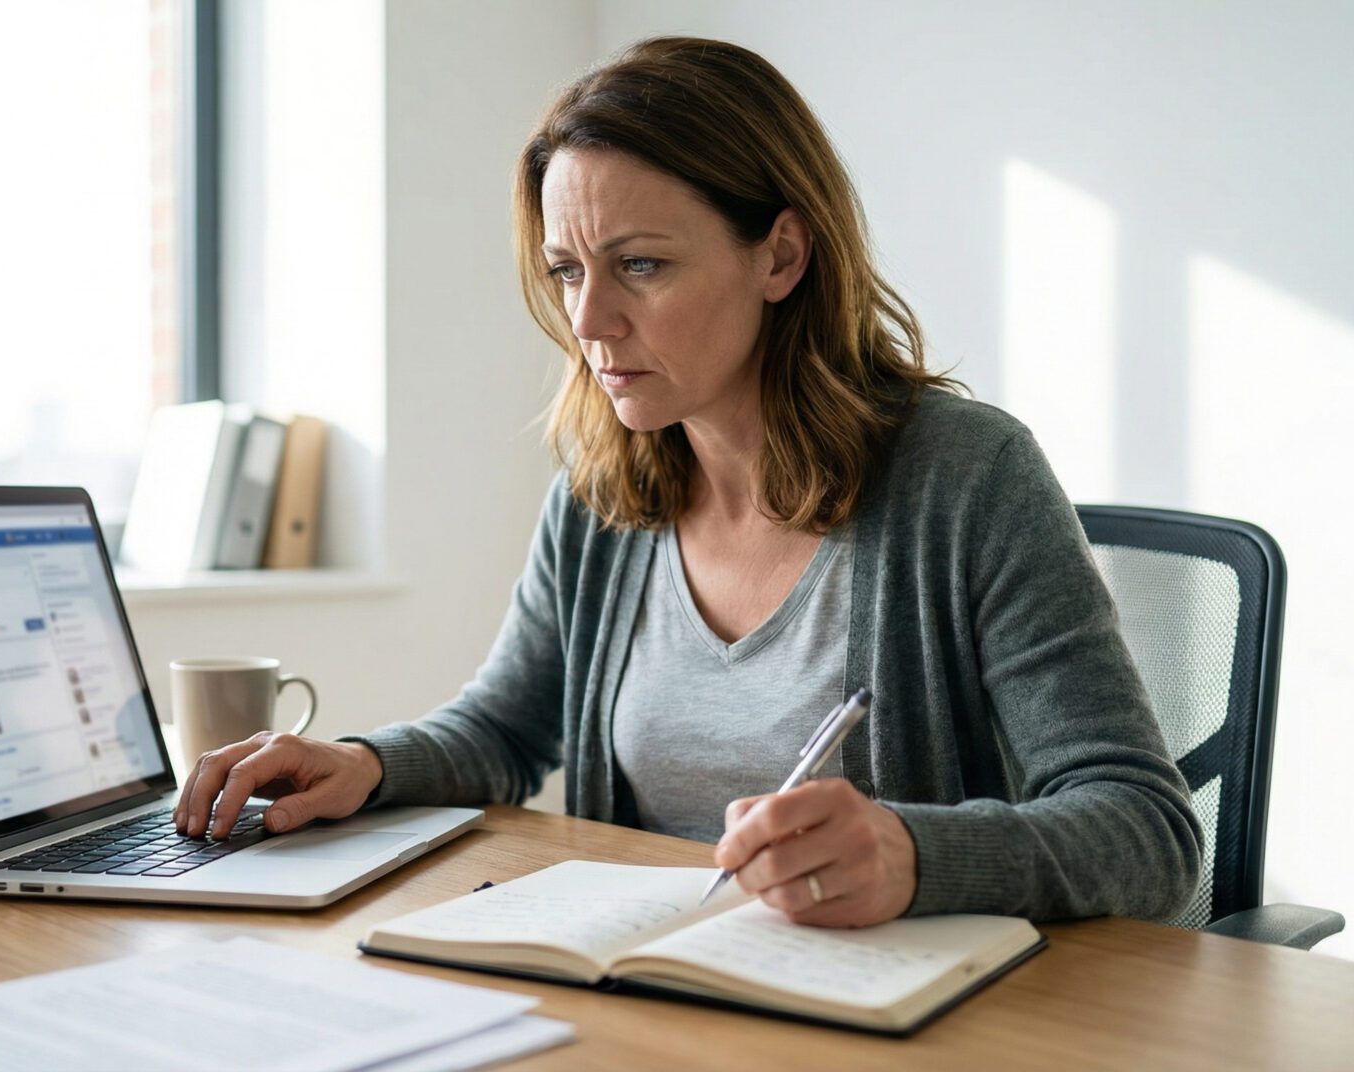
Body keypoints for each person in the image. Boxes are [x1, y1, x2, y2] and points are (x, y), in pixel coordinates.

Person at [174, 37, 1201, 927]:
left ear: (781, 257)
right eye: (568, 269)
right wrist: (367, 763)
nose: (588, 321)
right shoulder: (602, 490)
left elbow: (1146, 829)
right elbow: (504, 728)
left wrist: (915, 854)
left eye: (641, 265)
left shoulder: (970, 480)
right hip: (655, 994)